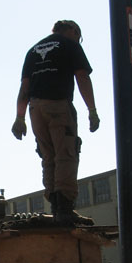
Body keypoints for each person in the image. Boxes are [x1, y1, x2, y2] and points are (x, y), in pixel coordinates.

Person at [12, 20, 100, 225]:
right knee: (66, 154)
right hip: (58, 106)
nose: (79, 40)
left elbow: (25, 87)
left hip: (36, 109)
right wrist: (92, 110)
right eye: (79, 36)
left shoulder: (33, 51)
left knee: (48, 156)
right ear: (72, 30)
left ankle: (56, 208)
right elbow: (82, 77)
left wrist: (19, 117)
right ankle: (65, 209)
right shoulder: (70, 45)